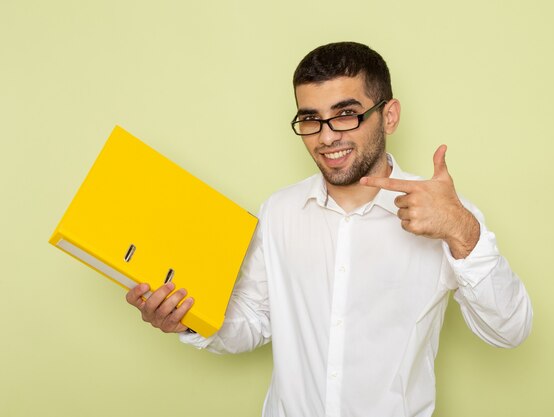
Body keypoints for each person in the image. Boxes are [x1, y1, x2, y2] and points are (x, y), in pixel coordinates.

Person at [126, 41, 532, 417]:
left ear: (388, 116)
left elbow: (510, 331)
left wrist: (463, 231)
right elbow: (254, 320)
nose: (327, 136)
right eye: (311, 119)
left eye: (346, 114)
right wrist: (191, 319)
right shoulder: (279, 211)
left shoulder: (446, 217)